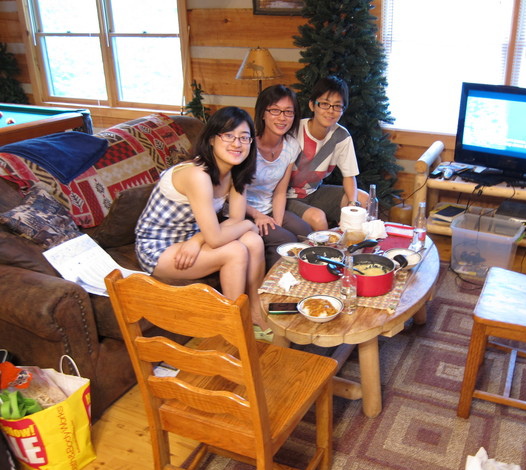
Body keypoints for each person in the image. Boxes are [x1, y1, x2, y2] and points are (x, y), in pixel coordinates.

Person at [135, 106, 267, 329]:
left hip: (193, 237)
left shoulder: (236, 172)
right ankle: (234, 326)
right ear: (212, 139)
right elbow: (222, 234)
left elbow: (234, 221)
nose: (237, 144)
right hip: (158, 246)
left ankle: (255, 311)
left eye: (244, 138)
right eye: (229, 136)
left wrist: (197, 240)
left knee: (253, 241)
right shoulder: (197, 174)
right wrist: (248, 223)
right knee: (235, 250)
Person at [286, 75, 369, 230]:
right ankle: (325, 246)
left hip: (315, 192)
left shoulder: (341, 136)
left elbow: (349, 176)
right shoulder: (294, 130)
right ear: (312, 105)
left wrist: (352, 205)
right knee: (318, 218)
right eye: (324, 104)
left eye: (337, 106)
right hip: (287, 197)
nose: (331, 111)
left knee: (364, 200)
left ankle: (351, 244)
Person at [246, 84, 313, 270]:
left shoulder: (291, 146)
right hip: (241, 212)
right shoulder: (246, 144)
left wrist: (277, 222)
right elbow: (230, 195)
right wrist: (258, 215)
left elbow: (280, 192)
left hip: (268, 208)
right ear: (263, 113)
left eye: (288, 112)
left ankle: (303, 279)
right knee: (284, 239)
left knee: (305, 232)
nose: (282, 117)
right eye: (275, 110)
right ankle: (273, 283)